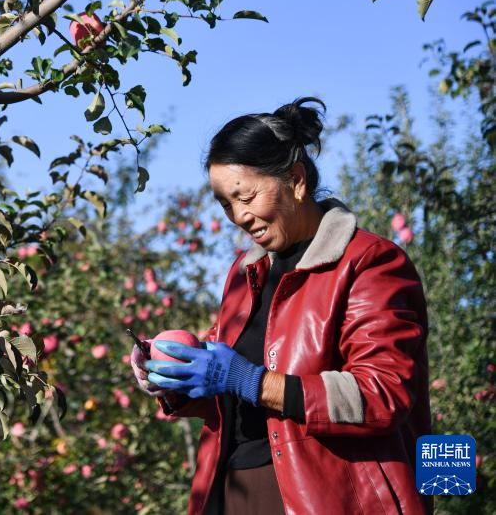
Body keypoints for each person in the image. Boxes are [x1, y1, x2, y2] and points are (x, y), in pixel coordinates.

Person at [130, 97, 432, 514]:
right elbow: (227, 394)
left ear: (295, 179)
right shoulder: (244, 273)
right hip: (229, 491)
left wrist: (250, 380)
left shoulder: (367, 263)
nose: (238, 215)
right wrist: (174, 380)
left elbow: (382, 394)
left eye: (247, 196)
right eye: (225, 204)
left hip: (324, 497)